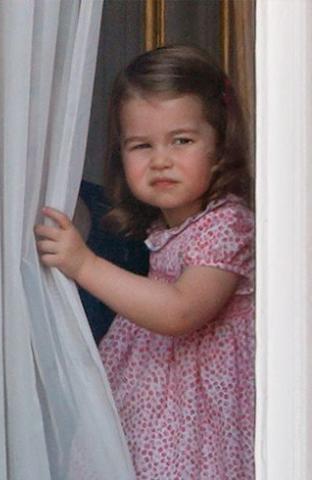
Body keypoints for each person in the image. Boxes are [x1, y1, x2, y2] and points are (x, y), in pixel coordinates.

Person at [34, 45, 254, 478]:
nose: (161, 160)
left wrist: (84, 266)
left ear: (220, 144)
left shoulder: (229, 224)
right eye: (141, 145)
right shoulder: (162, 230)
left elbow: (181, 310)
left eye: (182, 141)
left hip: (200, 431)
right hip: (157, 422)